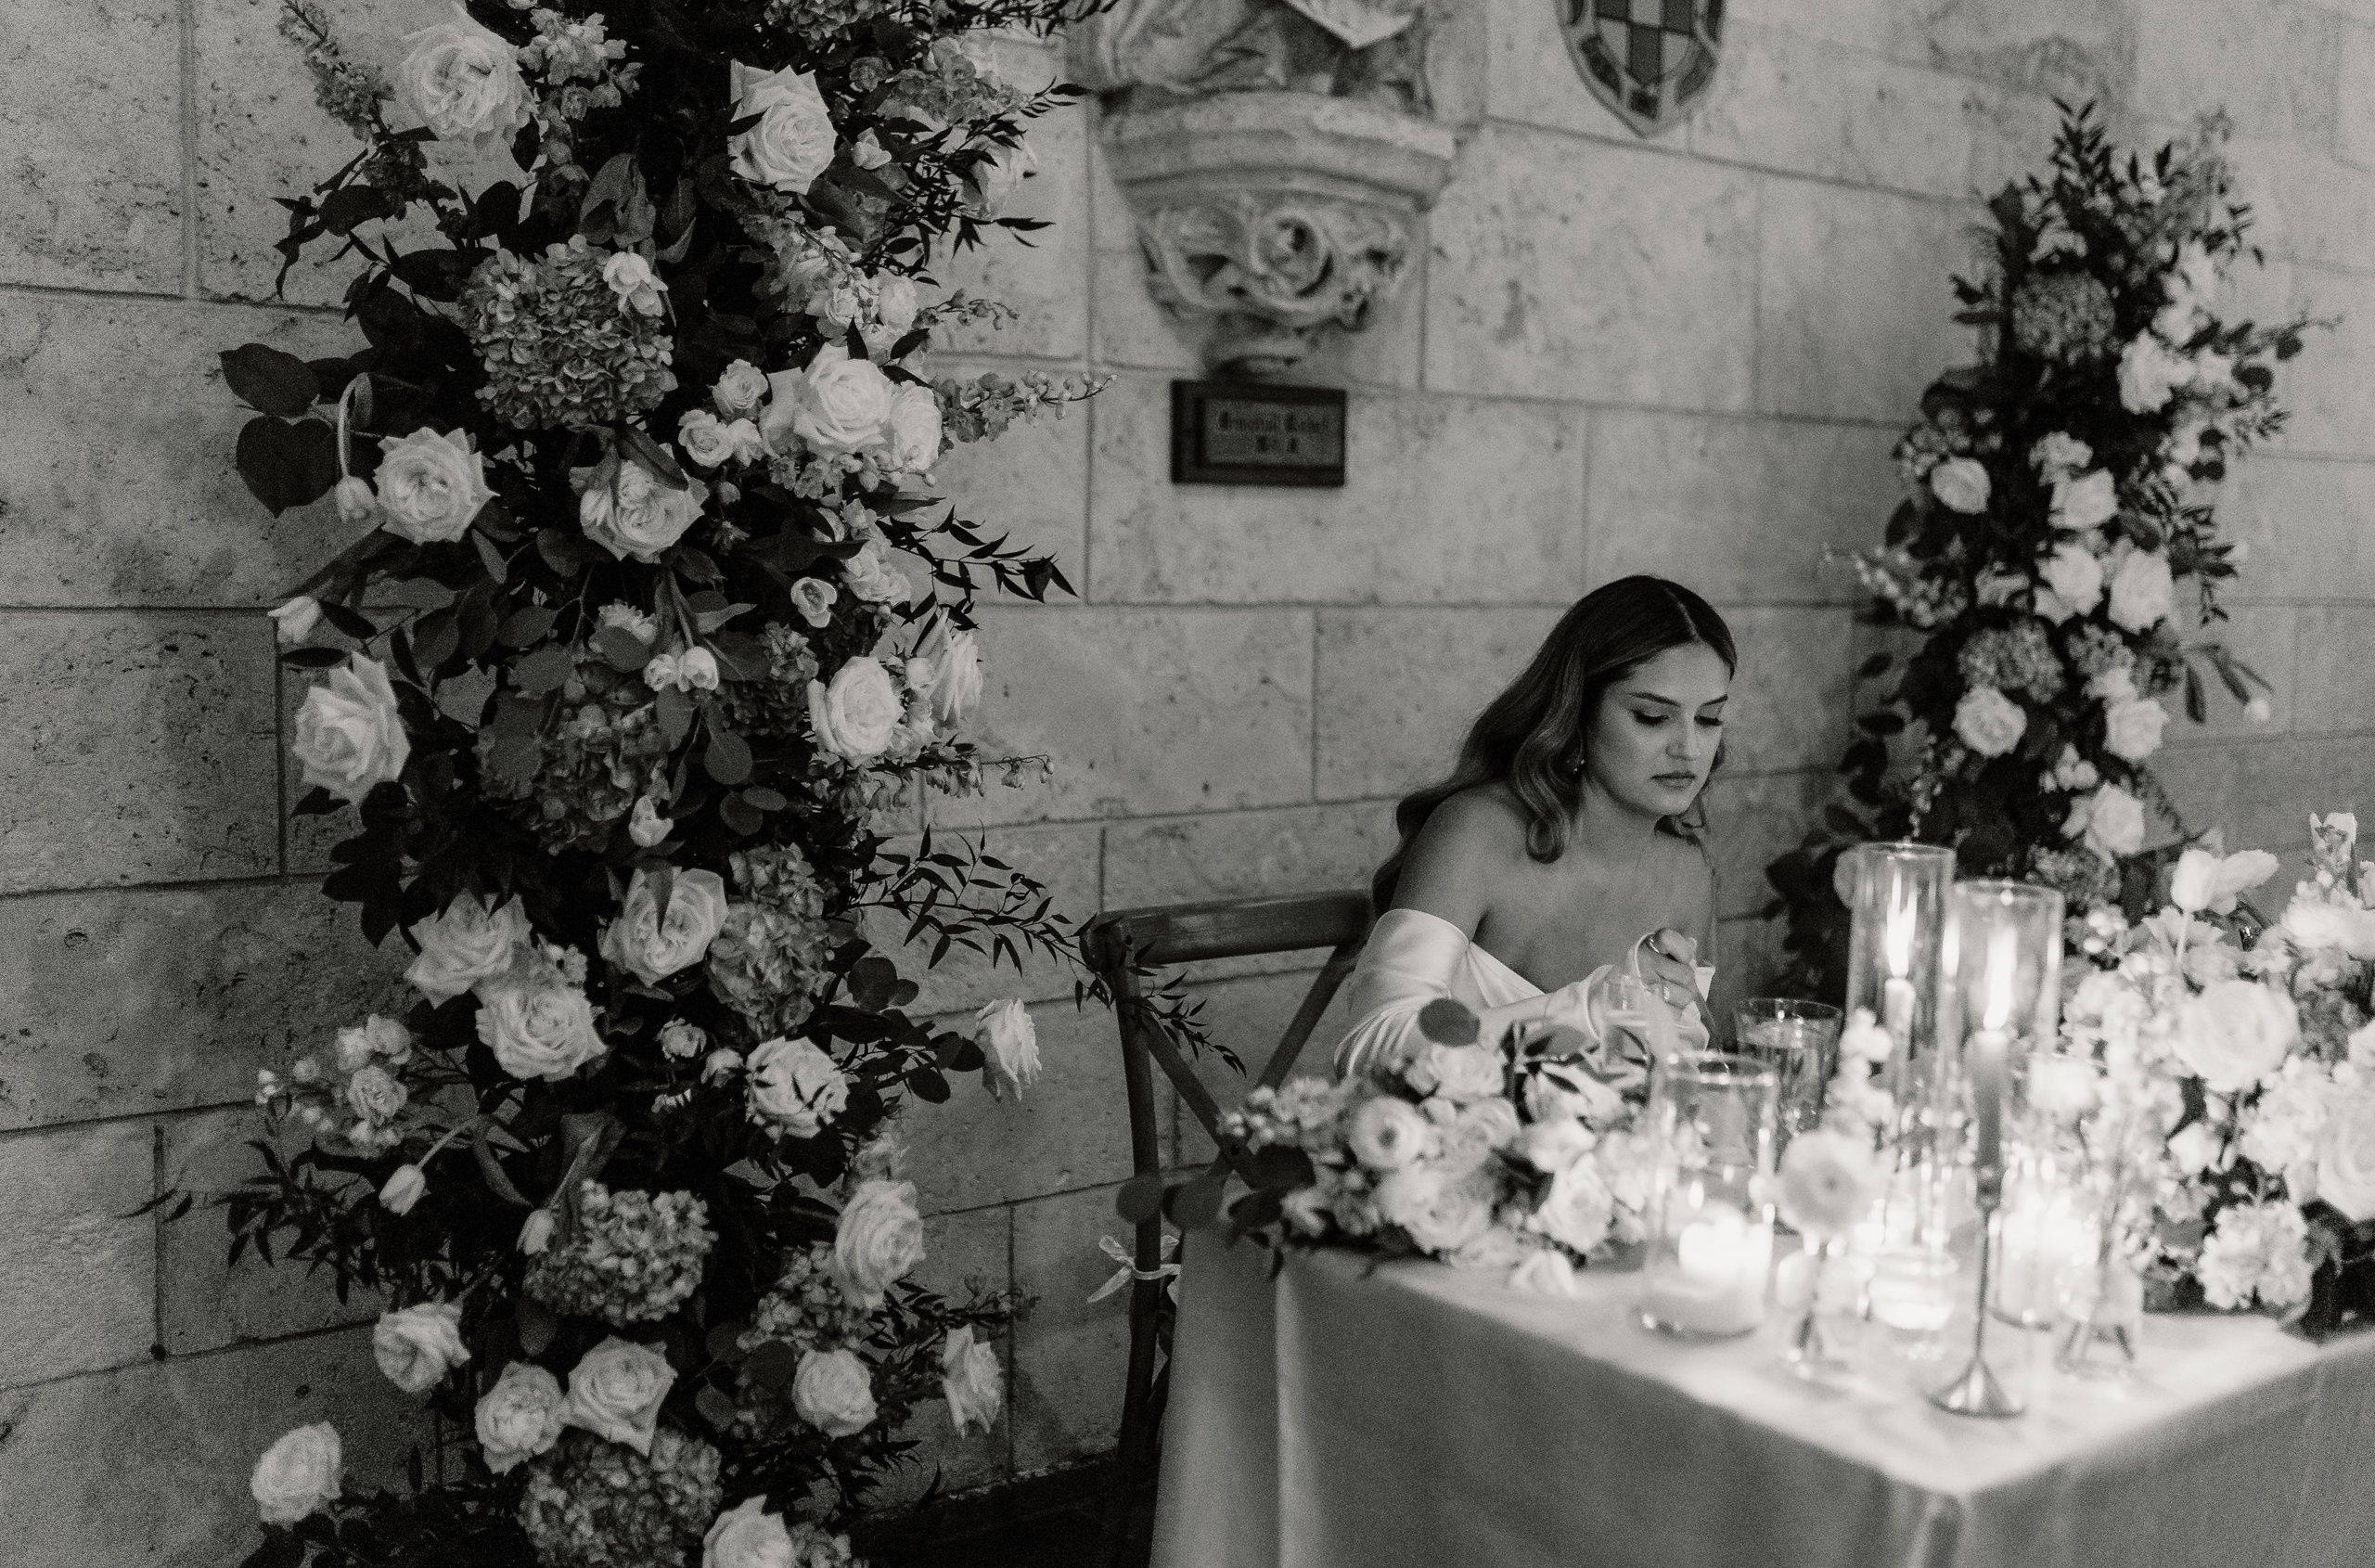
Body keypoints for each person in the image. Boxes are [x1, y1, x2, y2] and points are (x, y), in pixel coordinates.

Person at [1333, 576, 1734, 1078]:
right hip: (1455, 1150)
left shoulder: (1687, 871)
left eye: (1710, 718)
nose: (1690, 749)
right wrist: (1594, 1009)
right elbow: (1372, 1051)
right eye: (1653, 717)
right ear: (1577, 714)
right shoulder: (1477, 833)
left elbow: (1699, 1076)